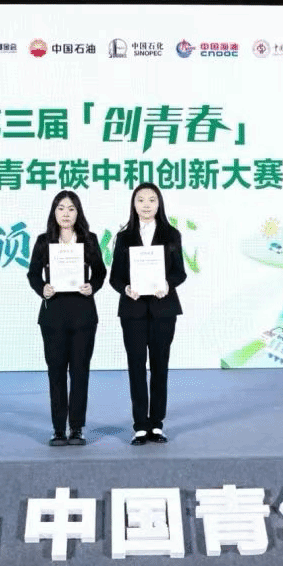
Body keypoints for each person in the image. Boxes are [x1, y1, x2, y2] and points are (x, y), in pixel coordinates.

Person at [109, 183, 187, 446]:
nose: (146, 204)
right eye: (140, 199)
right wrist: (126, 288)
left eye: (152, 199)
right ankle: (140, 425)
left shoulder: (171, 234)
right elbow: (115, 277)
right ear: (133, 204)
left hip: (164, 309)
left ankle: (157, 423)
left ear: (159, 203)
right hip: (133, 310)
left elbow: (180, 272)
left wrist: (167, 284)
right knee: (136, 366)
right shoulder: (124, 237)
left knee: (159, 366)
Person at [27, 190, 107, 447]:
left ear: (78, 212)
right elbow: (33, 274)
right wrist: (43, 288)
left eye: (71, 208)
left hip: (83, 314)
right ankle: (58, 429)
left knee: (80, 372)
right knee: (56, 373)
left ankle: (77, 428)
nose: (66, 213)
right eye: (61, 208)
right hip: (53, 316)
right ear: (54, 212)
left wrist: (92, 286)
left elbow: (100, 272)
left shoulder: (89, 240)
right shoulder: (44, 241)